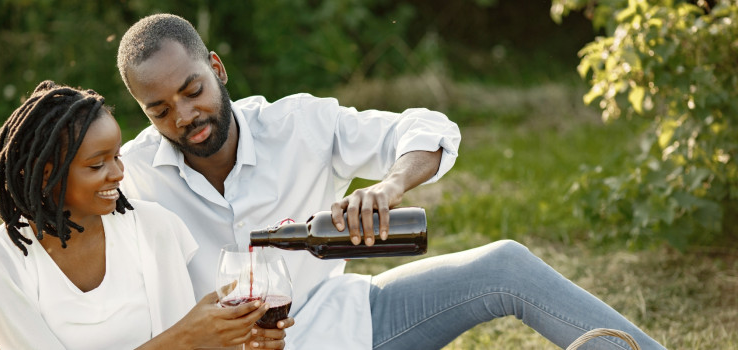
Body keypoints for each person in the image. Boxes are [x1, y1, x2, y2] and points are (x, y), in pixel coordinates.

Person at [115, 13, 667, 350]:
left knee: (505, 265)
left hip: (350, 330)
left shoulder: (299, 124)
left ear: (217, 68)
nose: (184, 116)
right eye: (159, 109)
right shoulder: (133, 176)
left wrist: (389, 186)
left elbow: (426, 129)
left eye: (193, 90)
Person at [0, 81, 292, 350]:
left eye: (117, 156)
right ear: (46, 173)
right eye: (97, 165)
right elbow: (180, 340)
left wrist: (239, 341)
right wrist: (183, 338)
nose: (118, 174)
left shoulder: (154, 228)